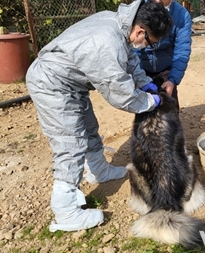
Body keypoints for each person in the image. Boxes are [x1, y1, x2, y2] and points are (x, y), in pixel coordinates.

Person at [25, 0, 172, 232]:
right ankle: (66, 211)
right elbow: (120, 94)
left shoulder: (120, 25)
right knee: (70, 141)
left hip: (72, 83)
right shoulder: (106, 42)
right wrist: (148, 101)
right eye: (149, 42)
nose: (145, 46)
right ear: (141, 31)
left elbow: (131, 60)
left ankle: (98, 171)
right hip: (51, 83)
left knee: (88, 126)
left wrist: (145, 84)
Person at [134, 0, 192, 110]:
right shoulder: (139, 9)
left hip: (165, 68)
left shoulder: (182, 15)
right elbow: (134, 49)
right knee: (143, 109)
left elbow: (182, 50)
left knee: (169, 107)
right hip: (142, 67)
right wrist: (137, 76)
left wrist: (172, 80)